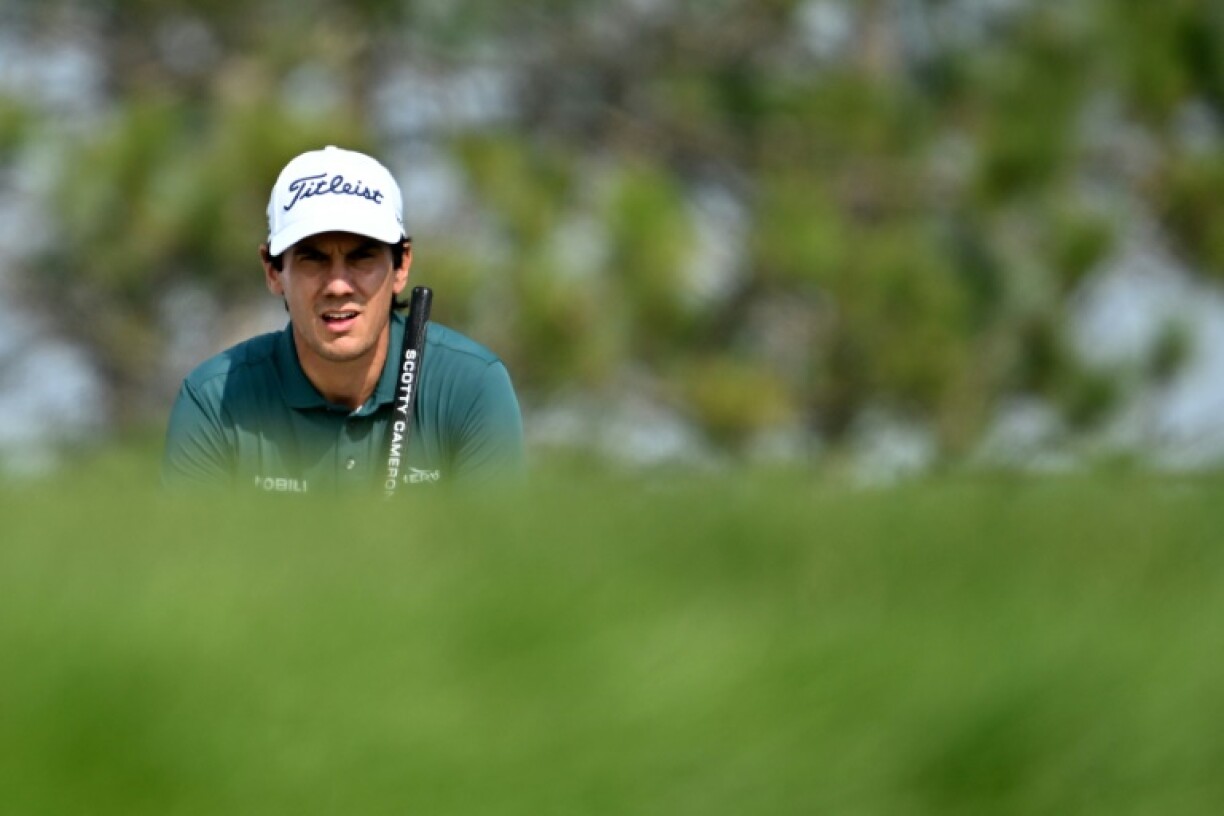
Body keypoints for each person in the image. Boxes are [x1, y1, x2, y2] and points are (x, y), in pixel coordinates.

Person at [163, 145, 524, 494]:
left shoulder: (472, 386)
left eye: (362, 257)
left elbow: (495, 554)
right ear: (273, 271)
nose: (338, 285)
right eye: (313, 259)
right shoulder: (213, 400)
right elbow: (191, 556)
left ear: (402, 265)